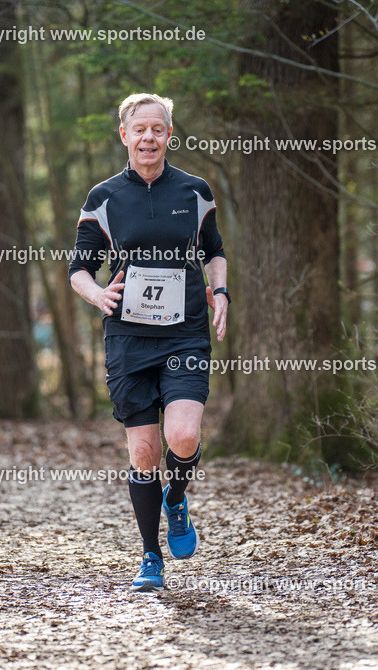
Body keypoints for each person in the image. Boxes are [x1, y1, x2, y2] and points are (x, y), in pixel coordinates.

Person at [69, 93, 229, 592]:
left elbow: (214, 250)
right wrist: (97, 294)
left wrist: (221, 291)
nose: (148, 137)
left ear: (169, 135)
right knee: (143, 451)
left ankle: (175, 499)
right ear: (124, 135)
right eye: (139, 129)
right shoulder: (103, 198)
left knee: (182, 437)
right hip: (128, 337)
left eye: (158, 129)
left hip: (185, 332)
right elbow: (79, 268)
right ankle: (150, 556)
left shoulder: (195, 190)